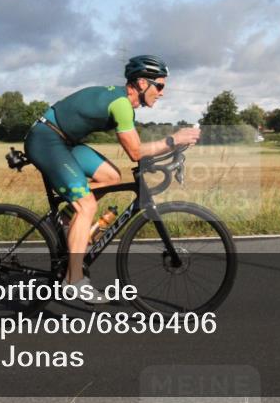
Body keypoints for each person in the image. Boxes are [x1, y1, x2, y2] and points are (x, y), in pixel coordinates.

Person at [23, 55, 200, 304]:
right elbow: (136, 152)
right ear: (141, 83)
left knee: (111, 176)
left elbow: (138, 153)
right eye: (159, 85)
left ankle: (66, 218)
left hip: (64, 141)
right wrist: (173, 140)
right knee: (88, 205)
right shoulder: (121, 105)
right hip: (46, 140)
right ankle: (73, 281)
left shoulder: (124, 104)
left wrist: (173, 149)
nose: (162, 92)